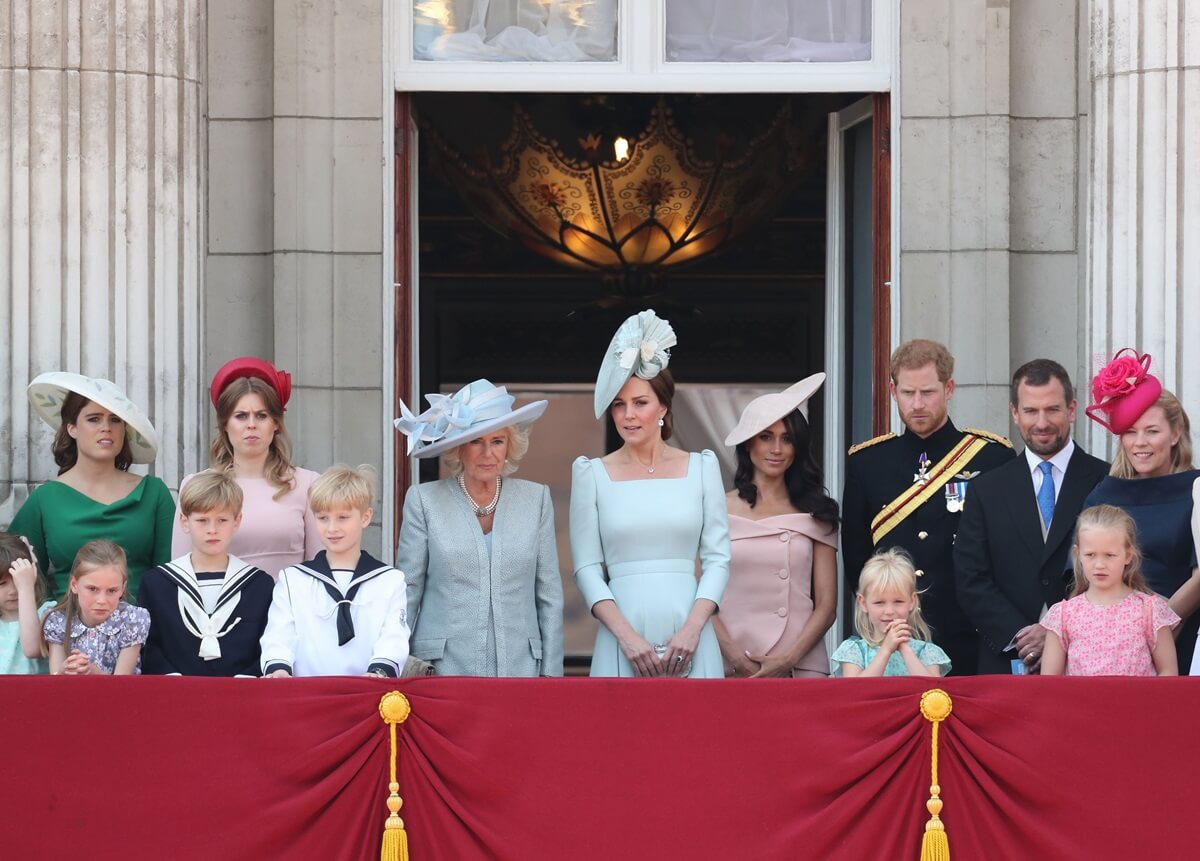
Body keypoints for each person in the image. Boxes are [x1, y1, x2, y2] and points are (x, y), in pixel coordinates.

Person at [570, 309, 731, 678]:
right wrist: (626, 637)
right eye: (619, 405)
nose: (628, 415)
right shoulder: (591, 474)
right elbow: (586, 569)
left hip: (691, 632)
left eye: (639, 403)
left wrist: (693, 629)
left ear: (662, 406)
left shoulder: (702, 468)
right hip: (620, 634)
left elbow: (718, 559)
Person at [841, 339, 1014, 674]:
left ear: (949, 388)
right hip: (892, 638)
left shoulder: (992, 457)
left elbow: (1004, 553)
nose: (917, 404)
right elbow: (857, 560)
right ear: (892, 391)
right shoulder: (868, 462)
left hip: (968, 634)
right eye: (907, 393)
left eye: (928, 392)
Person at [394, 379, 563, 677]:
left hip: (521, 671)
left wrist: (551, 675)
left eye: (497, 441)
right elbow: (408, 590)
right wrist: (395, 665)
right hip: (442, 671)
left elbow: (548, 594)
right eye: (476, 441)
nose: (488, 453)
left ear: (510, 446)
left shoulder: (536, 499)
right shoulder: (424, 501)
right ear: (459, 448)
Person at [955, 360, 1109, 673]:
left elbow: (1117, 573)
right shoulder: (986, 489)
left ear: (1071, 409)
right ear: (1014, 412)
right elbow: (971, 579)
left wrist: (1056, 633)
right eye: (1030, 411)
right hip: (1006, 660)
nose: (1042, 422)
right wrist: (1022, 635)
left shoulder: (1106, 481)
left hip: (1089, 659)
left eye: (1052, 409)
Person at [714, 374, 839, 678]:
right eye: (766, 437)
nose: (777, 449)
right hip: (728, 663)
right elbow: (700, 599)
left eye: (787, 439)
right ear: (748, 445)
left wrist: (788, 659)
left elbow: (827, 605)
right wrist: (733, 655)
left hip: (800, 663)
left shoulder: (817, 512)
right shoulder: (716, 508)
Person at [1081, 349, 1200, 669]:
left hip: (1182, 634)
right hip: (1110, 642)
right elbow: (1082, 573)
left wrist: (1156, 627)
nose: (1140, 442)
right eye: (1131, 432)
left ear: (1175, 434)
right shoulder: (1102, 494)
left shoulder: (1197, 490)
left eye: (1152, 431)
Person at [11, 372, 174, 598]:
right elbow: (15, 567)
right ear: (71, 428)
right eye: (94, 418)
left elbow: (171, 573)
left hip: (142, 627)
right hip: (64, 628)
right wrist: (50, 615)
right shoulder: (45, 498)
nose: (106, 427)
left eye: (115, 419)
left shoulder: (154, 493)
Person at [172, 358, 322, 578]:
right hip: (220, 609)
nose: (251, 424)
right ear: (225, 424)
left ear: (276, 423)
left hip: (291, 609)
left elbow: (320, 566)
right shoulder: (196, 485)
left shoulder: (308, 484)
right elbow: (181, 569)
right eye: (241, 416)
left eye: (261, 415)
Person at [260, 465, 410, 677]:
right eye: (322, 518)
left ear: (366, 517)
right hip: (307, 695)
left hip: (367, 694)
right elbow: (278, 635)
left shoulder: (389, 581)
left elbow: (393, 636)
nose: (332, 528)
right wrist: (279, 669)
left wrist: (379, 672)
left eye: (343, 518)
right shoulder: (293, 580)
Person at [139, 472, 275, 676]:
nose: (212, 530)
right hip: (174, 697)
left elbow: (270, 642)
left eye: (222, 520)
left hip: (243, 697)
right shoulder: (157, 584)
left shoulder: (259, 585)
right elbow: (148, 645)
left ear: (237, 521)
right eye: (202, 520)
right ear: (184, 522)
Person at [1040, 505, 1179, 676]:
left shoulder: (1150, 611)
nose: (1099, 565)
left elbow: (1168, 673)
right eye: (1090, 554)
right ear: (1077, 554)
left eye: (1110, 555)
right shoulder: (1062, 615)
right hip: (1080, 703)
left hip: (1137, 703)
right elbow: (1050, 682)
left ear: (1128, 555)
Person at [831, 548, 950, 677]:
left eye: (898, 601)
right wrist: (886, 650)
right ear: (863, 603)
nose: (889, 611)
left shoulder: (926, 652)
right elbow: (855, 691)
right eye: (879, 603)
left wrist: (905, 649)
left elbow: (933, 691)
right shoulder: (854, 651)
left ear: (912, 601)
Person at [43, 540, 150, 675]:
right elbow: (54, 684)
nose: (102, 600)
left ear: (122, 588)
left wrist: (93, 673)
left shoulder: (132, 620)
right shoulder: (58, 621)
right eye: (92, 589)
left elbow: (122, 686)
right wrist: (64, 670)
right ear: (74, 585)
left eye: (112, 590)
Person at [1, 534, 54, 674]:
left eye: (18, 579)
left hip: (31, 694)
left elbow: (33, 648)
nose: (13, 591)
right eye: (2, 583)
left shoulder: (47, 614)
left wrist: (26, 587)